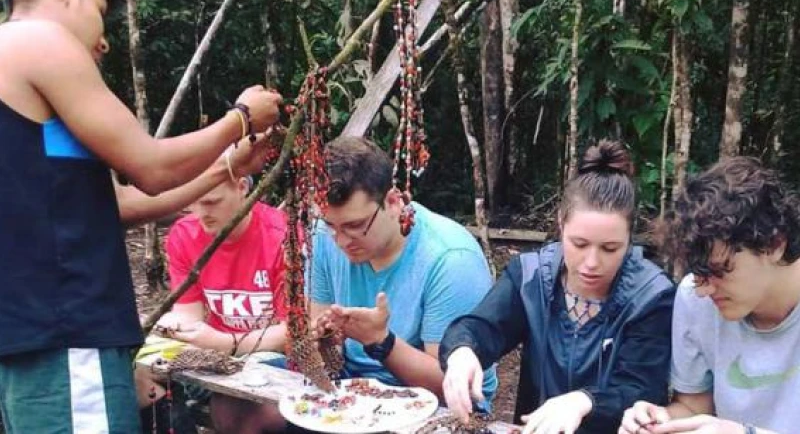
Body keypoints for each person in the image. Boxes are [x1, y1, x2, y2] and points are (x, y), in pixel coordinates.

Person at [0, 0, 281, 432]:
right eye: (99, 11)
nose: (104, 39)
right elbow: (149, 166)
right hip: (68, 331)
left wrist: (226, 167)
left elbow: (121, 204)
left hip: (39, 336)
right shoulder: (36, 39)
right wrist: (241, 118)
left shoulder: (22, 82)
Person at [440, 139, 675, 434]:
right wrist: (462, 352)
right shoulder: (530, 276)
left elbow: (642, 389)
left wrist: (584, 401)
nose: (592, 262)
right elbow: (482, 327)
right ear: (561, 224)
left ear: (630, 239)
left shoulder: (652, 296)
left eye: (610, 248)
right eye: (579, 244)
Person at [309, 136, 498, 405]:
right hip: (351, 387)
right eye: (331, 225)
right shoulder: (323, 236)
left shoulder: (451, 259)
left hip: (438, 405)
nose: (341, 241)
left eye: (355, 226)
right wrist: (324, 341)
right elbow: (322, 348)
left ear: (393, 202)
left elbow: (452, 386)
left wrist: (380, 342)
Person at [619, 157, 800, 434]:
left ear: (774, 245)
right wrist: (661, 420)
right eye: (698, 272)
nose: (704, 289)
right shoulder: (694, 298)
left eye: (719, 270)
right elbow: (694, 408)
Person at [150, 175, 290, 434]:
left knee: (239, 401)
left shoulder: (282, 237)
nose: (202, 213)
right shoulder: (185, 234)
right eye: (193, 202)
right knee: (144, 376)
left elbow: (292, 333)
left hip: (273, 357)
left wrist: (226, 343)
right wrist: (171, 329)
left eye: (212, 202)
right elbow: (187, 313)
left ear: (242, 188)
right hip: (213, 354)